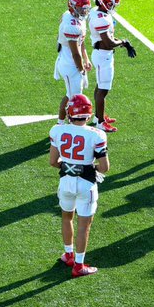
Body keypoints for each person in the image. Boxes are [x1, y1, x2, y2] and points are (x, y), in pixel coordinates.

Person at [49, 94, 110, 278]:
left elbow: (53, 161)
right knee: (84, 226)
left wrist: (70, 166)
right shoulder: (97, 134)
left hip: (65, 181)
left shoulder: (57, 130)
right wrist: (88, 169)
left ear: (69, 113)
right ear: (89, 114)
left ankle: (68, 254)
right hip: (86, 184)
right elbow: (105, 167)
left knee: (67, 217)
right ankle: (79, 265)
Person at [87, 0, 136, 133]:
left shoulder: (96, 12)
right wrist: (123, 42)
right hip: (103, 55)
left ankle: (98, 116)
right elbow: (108, 42)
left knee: (100, 86)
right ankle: (100, 122)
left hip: (101, 54)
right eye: (111, 4)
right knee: (103, 90)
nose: (113, 7)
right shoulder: (101, 19)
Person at [56, 0, 93, 123]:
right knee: (75, 99)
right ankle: (69, 125)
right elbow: (75, 52)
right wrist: (81, 67)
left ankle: (60, 123)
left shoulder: (74, 18)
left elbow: (81, 42)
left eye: (85, 8)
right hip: (69, 63)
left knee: (70, 95)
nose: (84, 11)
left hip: (71, 61)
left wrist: (86, 58)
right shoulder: (71, 25)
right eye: (80, 8)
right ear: (72, 6)